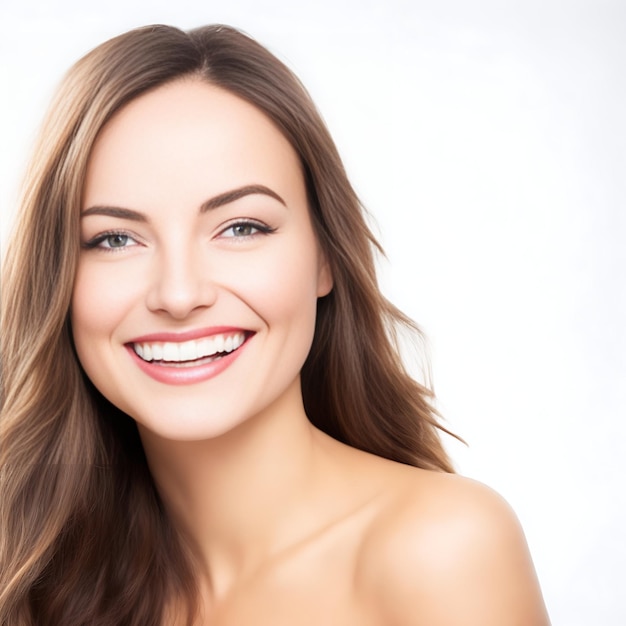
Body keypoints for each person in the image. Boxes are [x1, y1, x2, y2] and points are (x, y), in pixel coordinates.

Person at [0, 24, 550, 625]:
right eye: (113, 238)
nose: (180, 294)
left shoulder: (442, 550)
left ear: (326, 257)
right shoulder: (36, 578)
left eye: (242, 228)